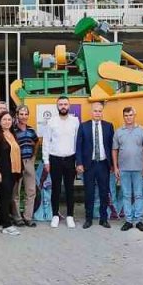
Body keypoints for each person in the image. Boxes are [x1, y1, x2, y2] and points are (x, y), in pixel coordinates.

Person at [77, 101, 116, 229]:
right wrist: (79, 163)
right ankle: (88, 219)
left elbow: (112, 147)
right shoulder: (83, 126)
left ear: (102, 112)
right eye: (95, 111)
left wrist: (113, 165)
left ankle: (103, 219)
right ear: (91, 112)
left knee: (104, 192)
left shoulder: (108, 126)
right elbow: (79, 146)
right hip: (89, 164)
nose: (97, 113)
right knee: (89, 192)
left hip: (103, 164)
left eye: (100, 111)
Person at [45, 96, 81, 229]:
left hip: (70, 159)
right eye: (60, 104)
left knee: (70, 188)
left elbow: (78, 142)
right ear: (57, 106)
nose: (63, 106)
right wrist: (46, 161)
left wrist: (78, 161)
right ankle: (55, 215)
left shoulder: (75, 121)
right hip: (55, 159)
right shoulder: (51, 122)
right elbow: (46, 142)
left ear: (69, 106)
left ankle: (70, 216)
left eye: (65, 104)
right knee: (55, 188)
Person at [113, 106, 143, 232]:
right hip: (124, 169)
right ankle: (128, 220)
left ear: (135, 115)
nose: (129, 118)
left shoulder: (142, 131)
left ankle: (139, 220)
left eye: (131, 115)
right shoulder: (118, 132)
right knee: (126, 195)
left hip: (139, 168)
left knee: (139, 195)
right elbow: (114, 150)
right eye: (126, 115)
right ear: (123, 117)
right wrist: (116, 167)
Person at [0, 111, 23, 235]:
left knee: (7, 196)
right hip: (3, 171)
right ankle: (6, 225)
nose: (7, 122)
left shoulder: (12, 134)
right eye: (4, 120)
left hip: (13, 171)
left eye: (9, 120)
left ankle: (1, 221)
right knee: (5, 198)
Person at [14, 105, 39, 227]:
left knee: (31, 191)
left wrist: (33, 157)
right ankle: (17, 217)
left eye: (26, 114)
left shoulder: (31, 130)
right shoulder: (13, 130)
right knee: (16, 192)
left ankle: (28, 217)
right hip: (17, 163)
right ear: (17, 115)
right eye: (21, 114)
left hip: (29, 161)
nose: (23, 116)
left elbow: (36, 142)